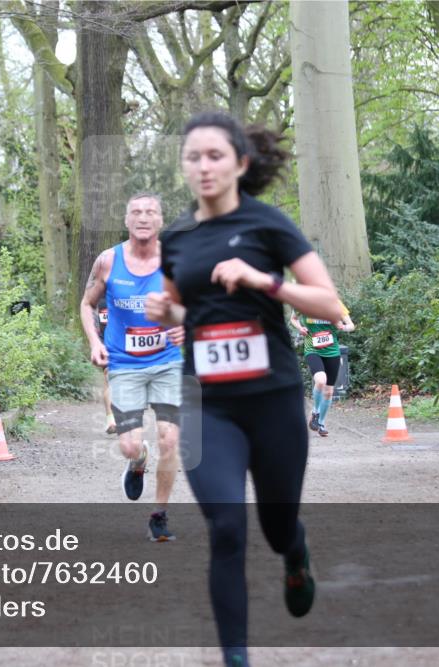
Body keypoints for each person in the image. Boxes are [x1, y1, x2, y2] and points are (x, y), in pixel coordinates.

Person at [145, 111, 344, 667]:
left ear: (240, 163)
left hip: (274, 399)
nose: (204, 166)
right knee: (226, 527)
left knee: (277, 528)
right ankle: (236, 658)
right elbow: (181, 306)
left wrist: (264, 280)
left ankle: (295, 552)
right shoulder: (175, 238)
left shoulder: (268, 225)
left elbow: (329, 302)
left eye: (215, 156)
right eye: (193, 157)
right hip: (210, 404)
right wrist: (168, 308)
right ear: (183, 166)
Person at [80, 193, 185, 541]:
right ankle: (138, 461)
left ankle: (159, 513)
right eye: (136, 212)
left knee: (170, 439)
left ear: (159, 221)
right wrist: (96, 342)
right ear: (126, 220)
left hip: (168, 362)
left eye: (150, 212)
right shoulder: (108, 262)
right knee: (128, 445)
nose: (143, 217)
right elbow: (86, 304)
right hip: (124, 364)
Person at [291, 304, 355, 436]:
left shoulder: (335, 304)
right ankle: (315, 411)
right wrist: (300, 328)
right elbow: (293, 319)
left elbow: (351, 326)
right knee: (320, 380)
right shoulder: (304, 302)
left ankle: (321, 423)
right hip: (312, 349)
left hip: (332, 352)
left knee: (329, 392)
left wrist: (343, 327)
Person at [96, 299, 116, 434]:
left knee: (109, 380)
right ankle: (112, 420)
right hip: (111, 343)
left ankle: (111, 419)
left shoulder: (101, 301)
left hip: (108, 342)